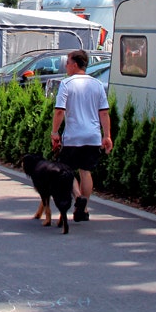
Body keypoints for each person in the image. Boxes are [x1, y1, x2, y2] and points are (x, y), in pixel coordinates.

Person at [51, 49, 112, 222]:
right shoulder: (97, 84)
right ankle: (83, 209)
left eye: (68, 62)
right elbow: (104, 113)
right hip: (92, 136)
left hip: (73, 136)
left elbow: (59, 111)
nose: (66, 66)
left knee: (67, 170)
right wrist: (106, 135)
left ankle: (78, 197)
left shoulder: (67, 84)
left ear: (75, 64)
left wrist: (55, 132)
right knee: (86, 171)